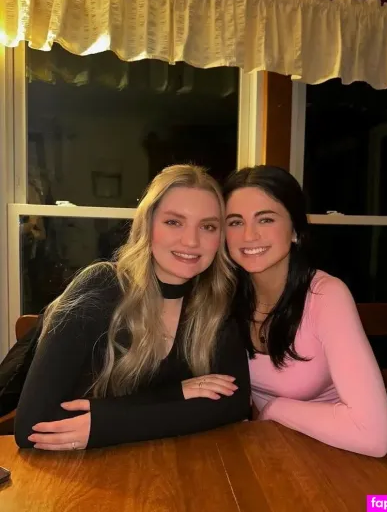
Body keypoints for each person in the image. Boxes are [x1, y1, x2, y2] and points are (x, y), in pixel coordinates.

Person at [14, 164, 251, 451]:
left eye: (208, 226)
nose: (191, 241)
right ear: (147, 226)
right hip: (81, 471)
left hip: (169, 466)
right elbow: (32, 426)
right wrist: (175, 397)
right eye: (173, 222)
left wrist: (110, 421)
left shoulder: (214, 300)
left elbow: (235, 403)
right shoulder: (101, 285)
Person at [223, 165, 387, 458]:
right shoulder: (223, 296)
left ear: (295, 231)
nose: (249, 235)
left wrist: (275, 409)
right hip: (274, 449)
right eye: (236, 222)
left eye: (266, 219)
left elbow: (374, 436)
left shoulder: (326, 295)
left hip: (338, 451)